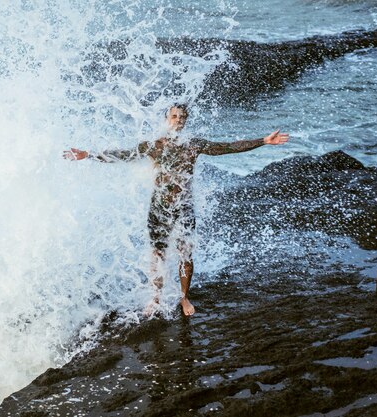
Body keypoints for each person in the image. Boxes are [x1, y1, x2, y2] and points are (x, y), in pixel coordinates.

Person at [63, 104, 289, 316]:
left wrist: (263, 141)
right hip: (159, 208)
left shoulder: (194, 144)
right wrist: (88, 154)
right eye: (174, 116)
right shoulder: (154, 146)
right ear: (166, 119)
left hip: (184, 207)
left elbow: (228, 147)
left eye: (182, 117)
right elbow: (124, 155)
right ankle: (156, 297)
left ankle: (183, 297)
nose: (178, 120)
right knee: (158, 254)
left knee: (185, 255)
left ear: (186, 121)